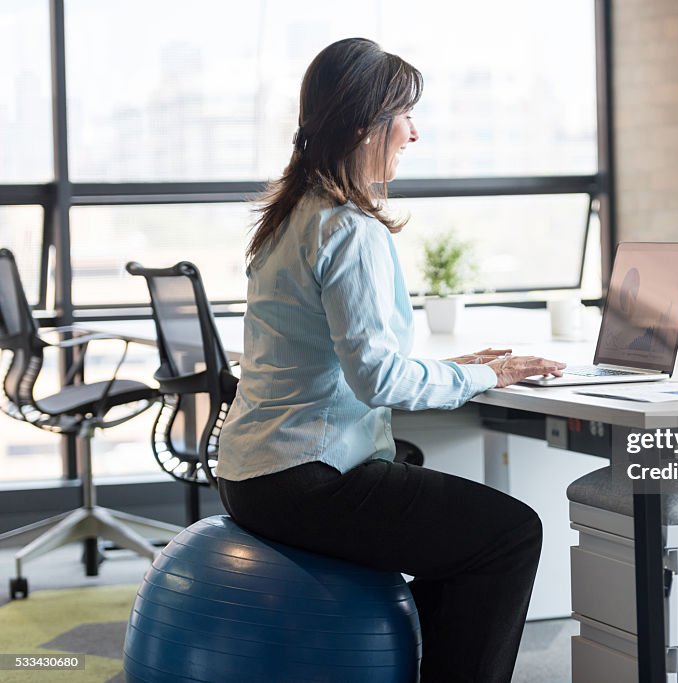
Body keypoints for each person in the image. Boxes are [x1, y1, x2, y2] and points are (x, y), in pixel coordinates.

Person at [216, 38, 566, 683]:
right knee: (510, 535)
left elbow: (333, 355)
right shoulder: (350, 228)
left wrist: (456, 367)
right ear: (363, 124)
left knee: (431, 494)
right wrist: (486, 375)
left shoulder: (292, 214)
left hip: (252, 473)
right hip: (306, 477)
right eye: (404, 115)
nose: (414, 132)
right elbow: (378, 379)